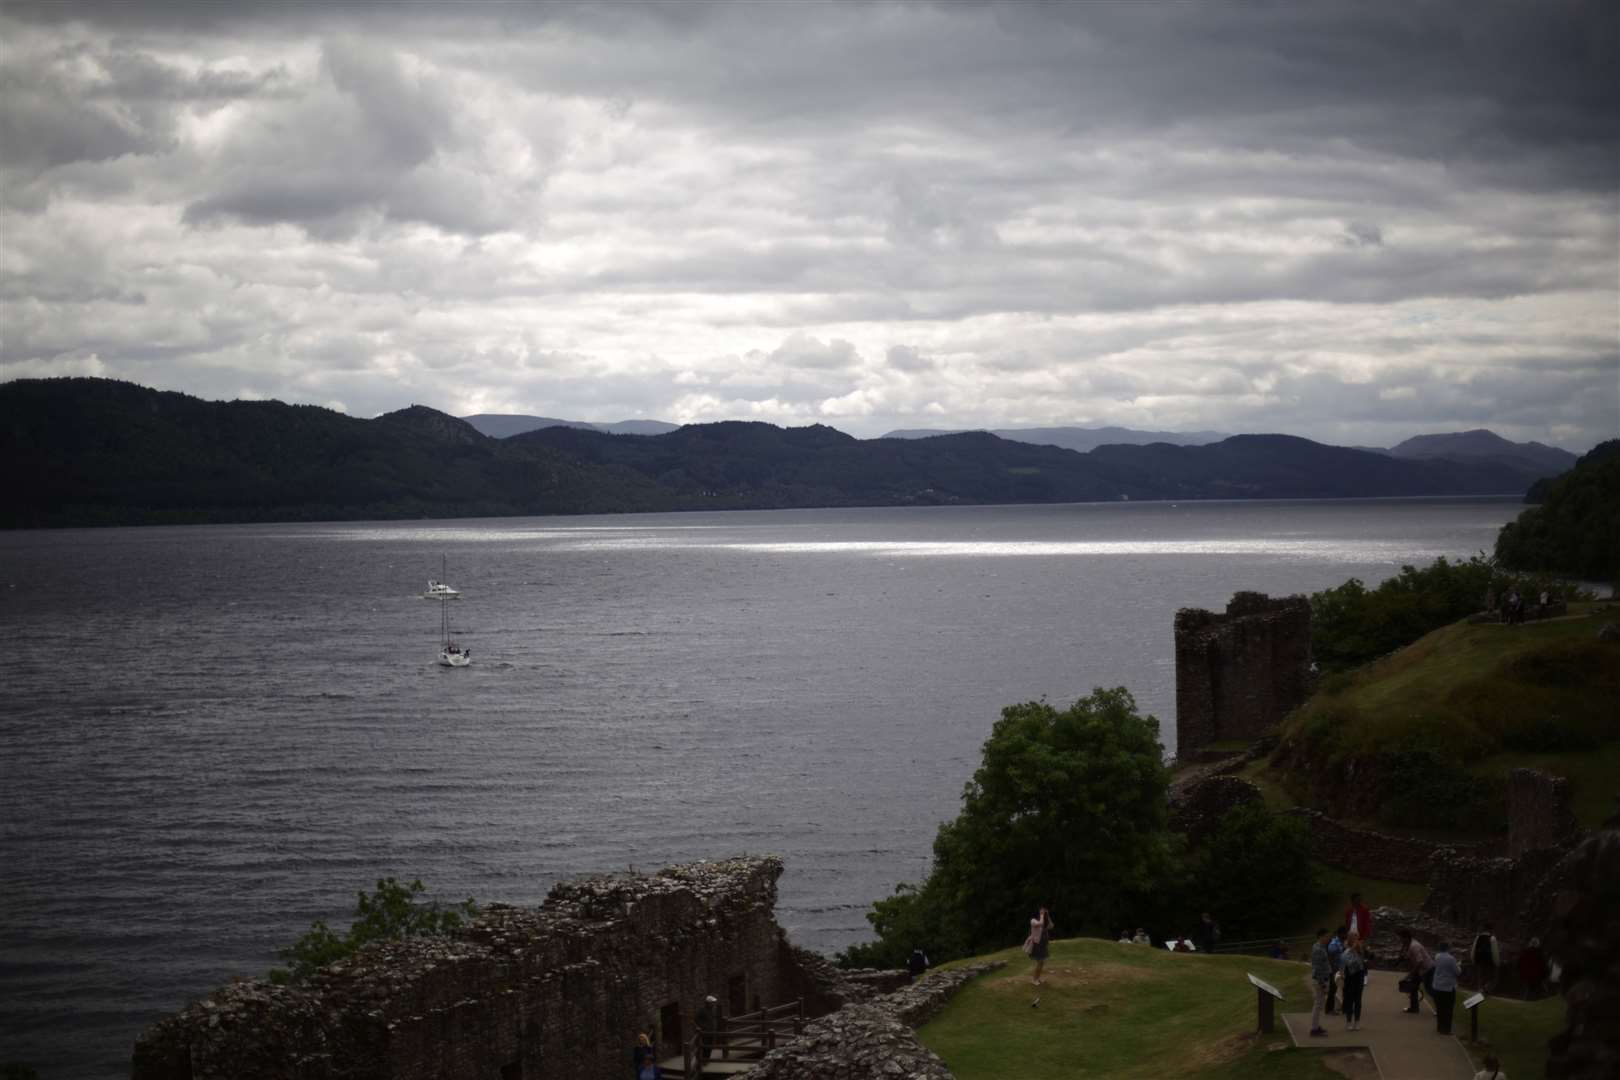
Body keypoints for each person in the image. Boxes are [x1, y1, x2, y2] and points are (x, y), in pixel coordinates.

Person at [1398, 927, 1434, 1014]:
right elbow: (1410, 958)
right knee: (1413, 987)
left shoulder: (1414, 946)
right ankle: (1414, 1008)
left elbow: (1420, 961)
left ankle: (1441, 1008)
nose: (1400, 940)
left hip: (1427, 969)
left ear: (1406, 938)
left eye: (1401, 938)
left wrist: (1411, 974)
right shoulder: (1409, 945)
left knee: (1429, 989)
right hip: (1420, 970)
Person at [1431, 941, 1461, 1034]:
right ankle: (1446, 1029)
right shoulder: (1451, 959)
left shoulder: (1437, 957)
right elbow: (1457, 972)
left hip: (1437, 986)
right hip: (1448, 987)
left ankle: (1440, 1027)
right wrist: (1459, 965)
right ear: (1448, 948)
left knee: (1440, 1008)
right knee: (1448, 1009)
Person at [1340, 932, 1367, 1031]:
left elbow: (1362, 960)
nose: (1357, 940)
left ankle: (1357, 1022)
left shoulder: (1359, 949)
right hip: (1349, 977)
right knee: (1349, 1000)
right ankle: (1348, 1021)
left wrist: (1358, 948)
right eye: (1355, 938)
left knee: (1358, 1000)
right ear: (1350, 939)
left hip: (1359, 976)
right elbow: (1342, 963)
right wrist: (1341, 974)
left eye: (1358, 938)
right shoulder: (1345, 949)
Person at [1309, 928, 1332, 1036]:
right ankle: (1314, 1029)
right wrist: (1322, 983)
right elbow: (1318, 968)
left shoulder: (1320, 947)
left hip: (1322, 978)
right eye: (1327, 936)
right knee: (1318, 1004)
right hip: (1320, 980)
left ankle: (1316, 1026)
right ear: (1321, 937)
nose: (1328, 938)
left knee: (1319, 1004)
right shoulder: (1318, 949)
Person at [1026, 907, 1054, 985]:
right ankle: (1034, 979)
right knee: (1040, 962)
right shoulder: (1033, 921)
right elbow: (1040, 923)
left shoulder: (1043, 921)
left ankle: (1037, 978)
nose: (1042, 914)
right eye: (1041, 913)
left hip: (1043, 945)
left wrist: (1048, 916)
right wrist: (1042, 914)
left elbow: (1051, 926)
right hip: (1037, 945)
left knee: (1041, 963)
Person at [1471, 923, 1500, 992]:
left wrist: (1473, 959)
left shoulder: (1478, 938)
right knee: (1493, 978)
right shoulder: (1492, 938)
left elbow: (1473, 949)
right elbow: (1495, 952)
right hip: (1489, 962)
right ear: (1491, 930)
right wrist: (1497, 963)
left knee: (1481, 978)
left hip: (1479, 961)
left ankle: (1480, 991)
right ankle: (1485, 990)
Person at [1325, 926, 1346, 1014]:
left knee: (1344, 988)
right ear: (1340, 934)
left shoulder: (1342, 942)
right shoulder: (1334, 943)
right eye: (1344, 934)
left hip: (1342, 968)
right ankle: (1329, 1009)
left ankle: (1344, 1007)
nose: (1346, 935)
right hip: (1335, 969)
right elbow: (1330, 956)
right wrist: (1333, 970)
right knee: (1333, 989)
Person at [696, 995, 719, 1068]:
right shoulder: (702, 1010)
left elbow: (712, 1019)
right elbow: (696, 1019)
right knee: (704, 1046)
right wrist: (703, 1027)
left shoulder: (712, 1010)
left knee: (710, 1046)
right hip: (705, 1032)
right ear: (707, 1003)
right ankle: (702, 1060)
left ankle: (707, 1059)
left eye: (713, 1003)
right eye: (712, 1003)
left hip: (711, 1032)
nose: (713, 1004)